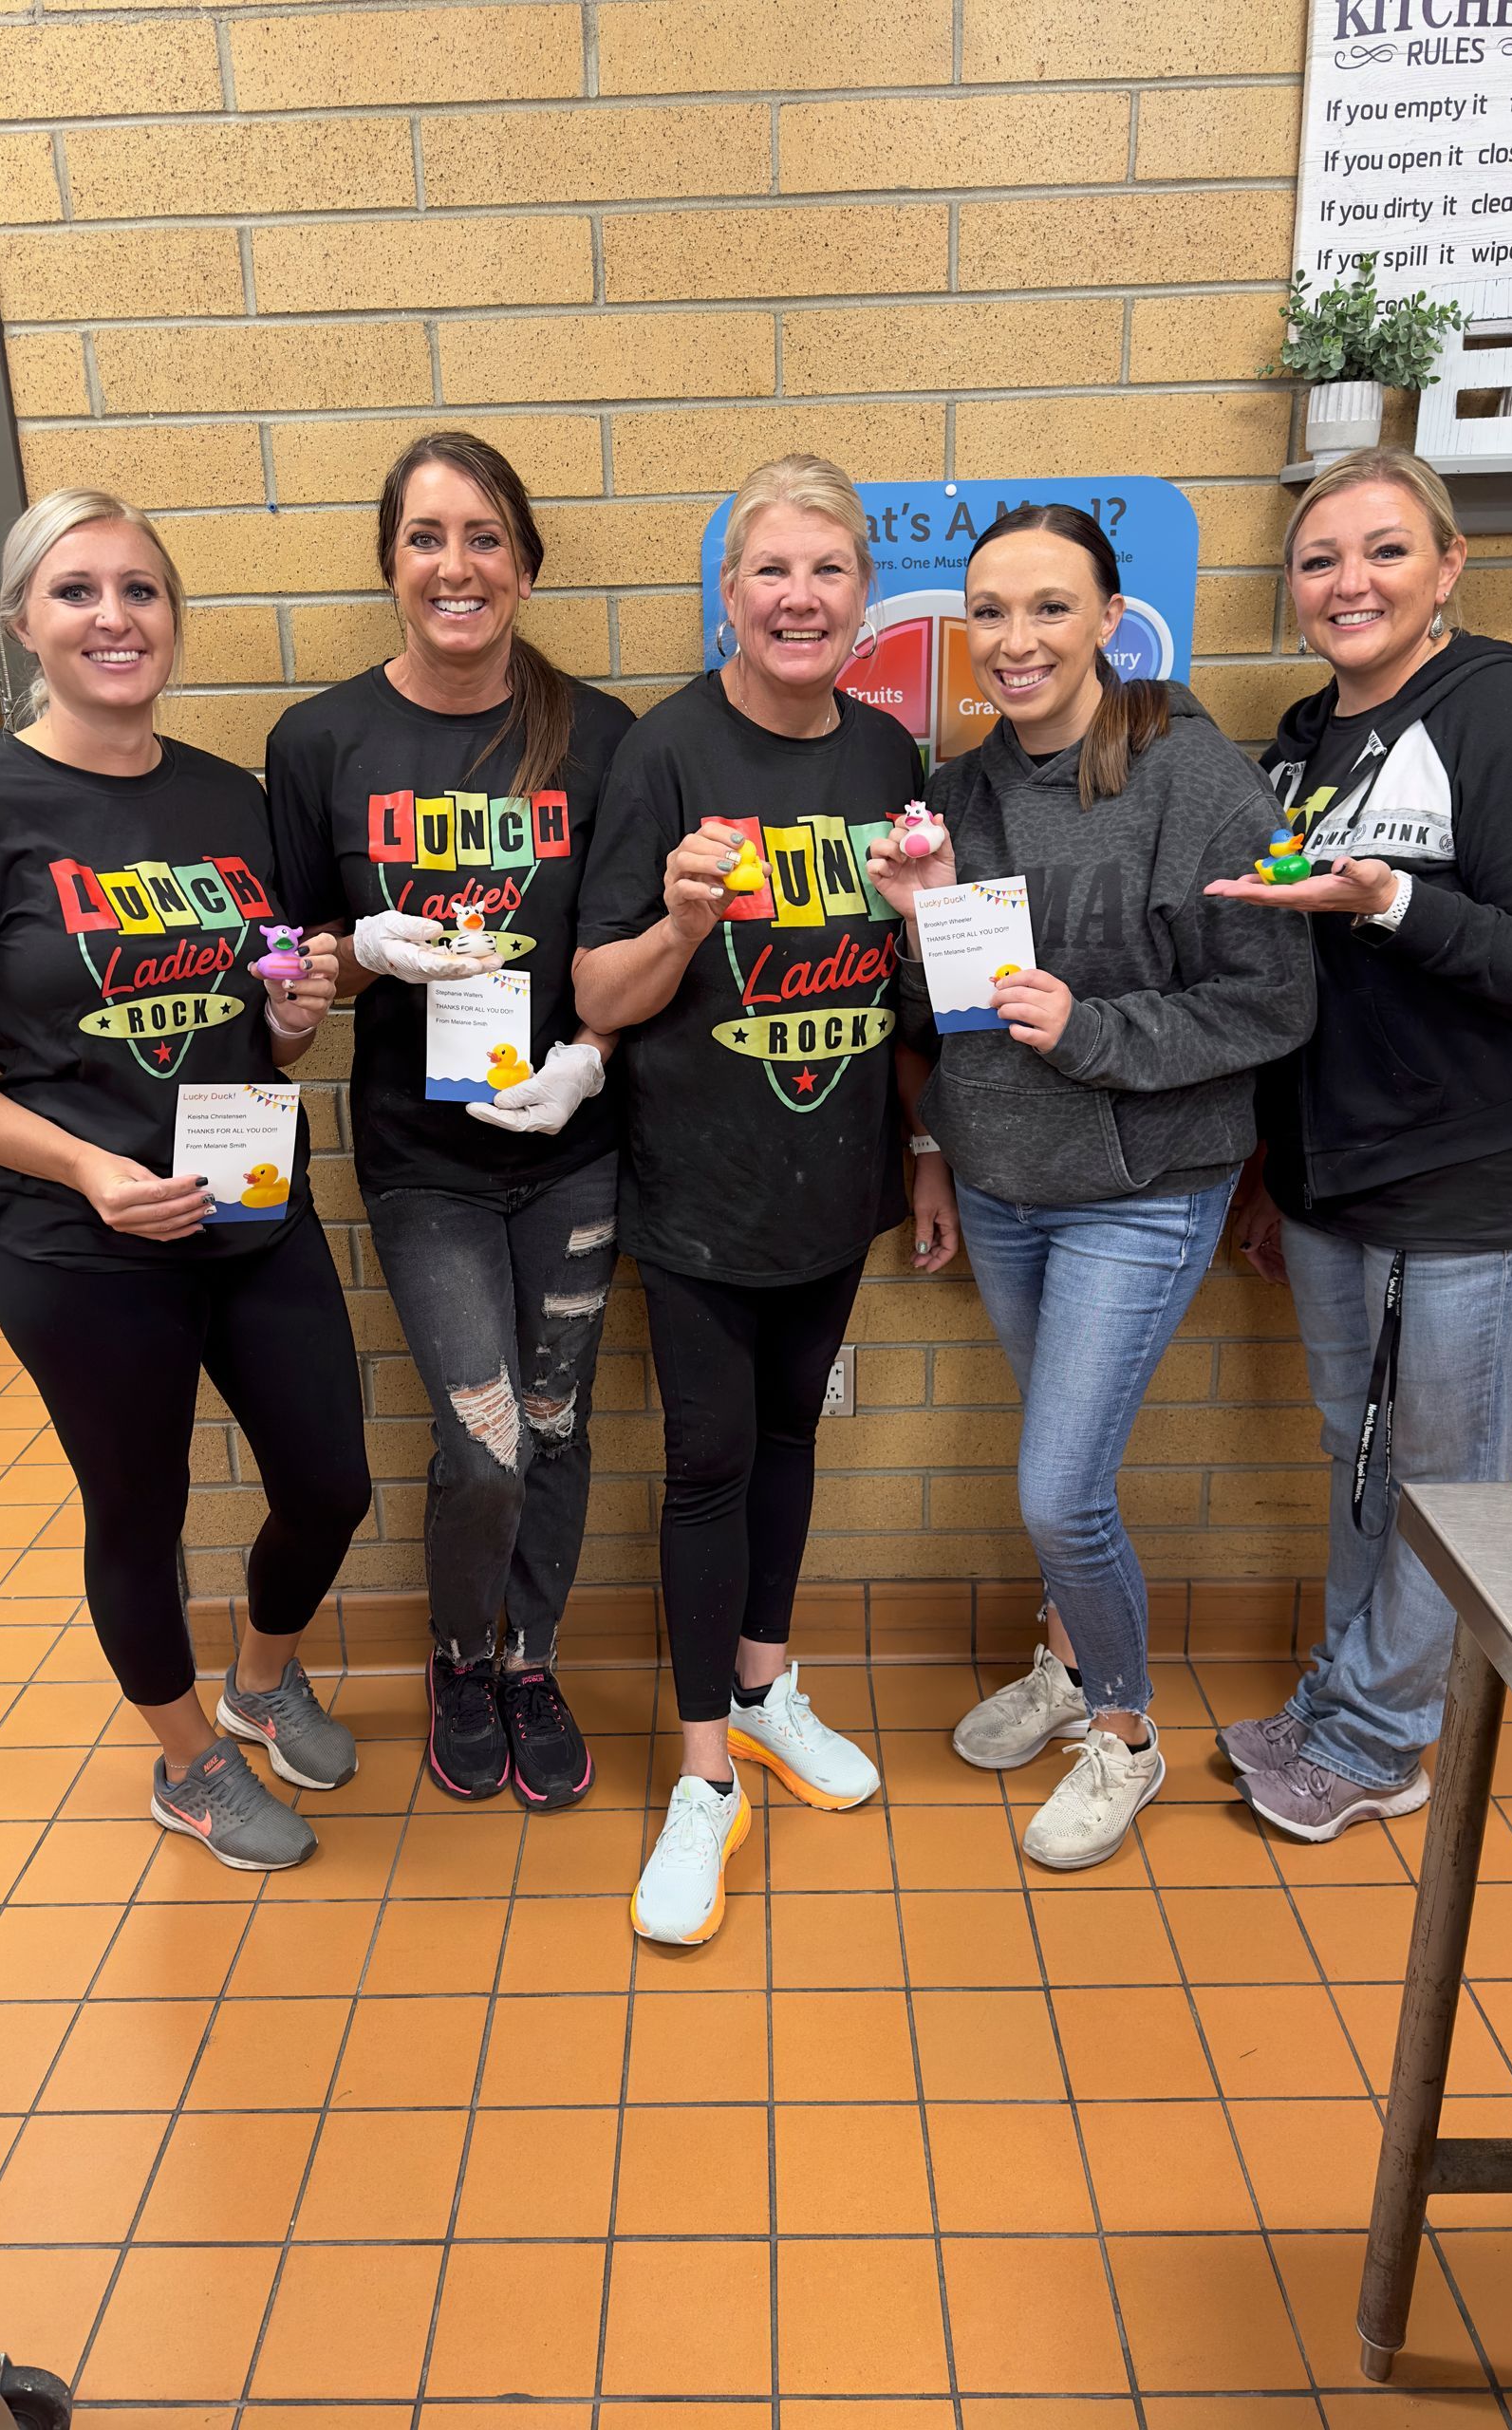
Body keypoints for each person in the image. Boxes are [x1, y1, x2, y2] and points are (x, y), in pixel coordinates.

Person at [0, 488, 371, 1872]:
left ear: (172, 619)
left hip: (255, 1212)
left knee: (330, 1482)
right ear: (27, 620)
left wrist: (292, 1018)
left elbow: (254, 999)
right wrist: (88, 1168)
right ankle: (191, 1763)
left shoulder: (228, 799)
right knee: (137, 1515)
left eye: (140, 590)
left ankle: (263, 1679)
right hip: (84, 1247)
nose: (113, 617)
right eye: (78, 590)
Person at [869, 503, 1316, 1871]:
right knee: (1067, 1468)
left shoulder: (1196, 780)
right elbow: (946, 1012)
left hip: (1144, 1185)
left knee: (1062, 1489)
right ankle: (1066, 1663)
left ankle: (1121, 1729)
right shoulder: (954, 792)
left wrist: (1097, 1032)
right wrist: (922, 917)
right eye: (991, 614)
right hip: (1005, 1180)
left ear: (1110, 620)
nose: (1016, 641)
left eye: (1050, 609)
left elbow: (1277, 999)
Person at [1205, 446, 1512, 1841]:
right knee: (1366, 1454)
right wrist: (1275, 1172)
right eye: (1320, 559)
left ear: (1448, 566)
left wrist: (1393, 903)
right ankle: (1345, 1698)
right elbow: (1290, 984)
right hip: (1337, 1177)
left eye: (1384, 551)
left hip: (1476, 1182)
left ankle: (1386, 1740)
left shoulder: (1511, 715)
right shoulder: (1303, 738)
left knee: (1442, 1476)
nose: (1348, 582)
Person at [575, 453, 957, 1944]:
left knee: (795, 1436)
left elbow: (921, 984)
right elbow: (599, 994)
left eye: (828, 571)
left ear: (863, 596)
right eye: (769, 571)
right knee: (707, 1465)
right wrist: (676, 918)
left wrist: (923, 1152)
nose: (799, 597)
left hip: (839, 1171)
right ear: (727, 595)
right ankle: (700, 1779)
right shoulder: (664, 752)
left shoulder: (886, 757)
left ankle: (764, 1683)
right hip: (697, 1188)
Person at [266, 432, 634, 1809]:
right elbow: (293, 960)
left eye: (483, 537)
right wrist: (359, 949)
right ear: (391, 566)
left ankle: (527, 1658)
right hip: (423, 1162)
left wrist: (590, 1060)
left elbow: (624, 947)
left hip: (571, 1148)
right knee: (485, 1442)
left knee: (559, 1418)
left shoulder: (602, 736)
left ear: (526, 567)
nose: (456, 566)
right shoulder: (320, 741)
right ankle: (456, 1653)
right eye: (426, 538)